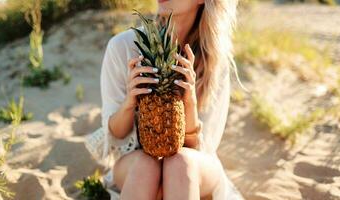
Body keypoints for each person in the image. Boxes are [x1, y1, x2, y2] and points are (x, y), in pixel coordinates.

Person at [87, 0, 247, 199]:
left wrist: (189, 103)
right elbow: (115, 136)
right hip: (135, 164)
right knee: (145, 166)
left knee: (180, 163)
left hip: (193, 166)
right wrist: (130, 102)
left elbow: (202, 149)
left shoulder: (215, 59)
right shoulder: (122, 47)